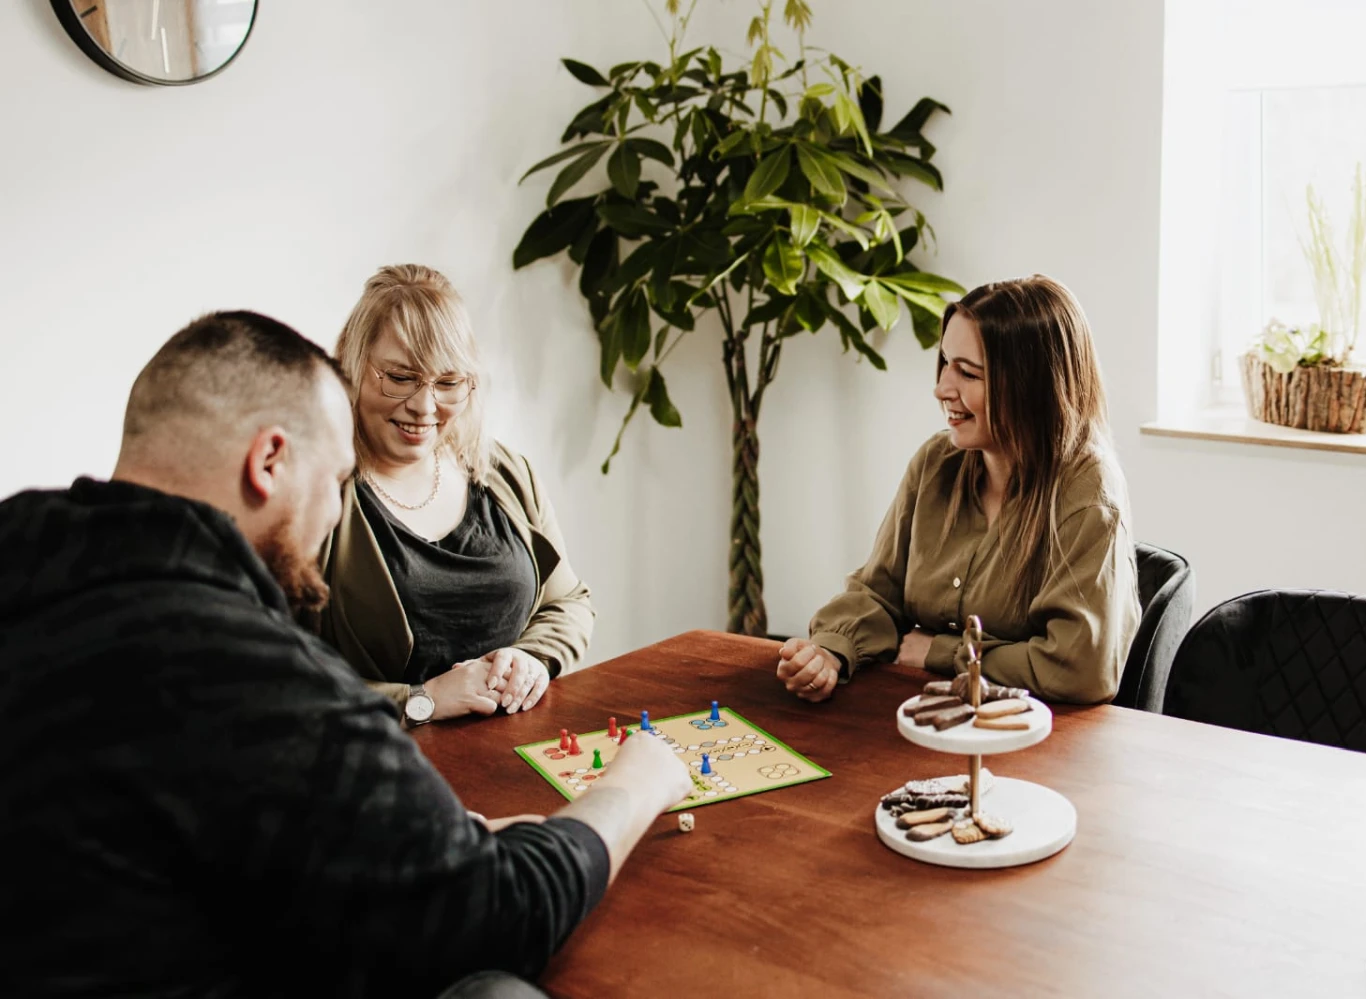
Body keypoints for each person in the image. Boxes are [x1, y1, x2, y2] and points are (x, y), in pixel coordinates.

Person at [0, 312, 691, 998]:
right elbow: (500, 912)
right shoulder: (252, 671)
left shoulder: (29, 548)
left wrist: (402, 835)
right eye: (336, 482)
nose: (337, 513)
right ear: (269, 461)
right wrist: (632, 785)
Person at [777, 276, 1140, 705]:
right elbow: (877, 593)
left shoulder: (1089, 492)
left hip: (1037, 739)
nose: (942, 388)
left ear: (1030, 387)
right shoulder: (936, 462)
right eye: (945, 362)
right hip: (933, 719)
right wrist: (830, 652)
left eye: (967, 373)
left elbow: (1081, 667)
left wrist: (941, 652)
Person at [313, 264, 593, 727]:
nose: (425, 407)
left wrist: (532, 660)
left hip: (519, 751)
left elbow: (569, 602)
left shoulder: (503, 471)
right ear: (353, 366)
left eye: (447, 383)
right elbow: (273, 678)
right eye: (400, 378)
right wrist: (420, 701)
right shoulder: (315, 493)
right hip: (380, 769)